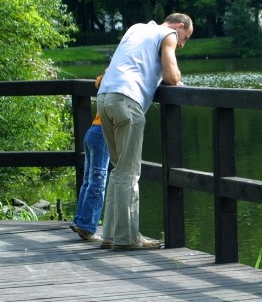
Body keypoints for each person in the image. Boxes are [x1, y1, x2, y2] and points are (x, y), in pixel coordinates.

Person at [97, 13, 193, 251]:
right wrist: (177, 78)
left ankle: (110, 234)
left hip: (104, 98)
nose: (182, 44)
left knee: (118, 170)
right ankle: (127, 238)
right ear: (179, 27)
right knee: (129, 173)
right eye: (186, 38)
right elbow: (171, 75)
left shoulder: (136, 28)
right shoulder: (167, 34)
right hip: (128, 102)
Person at [69, 75, 109, 242]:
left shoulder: (107, 79)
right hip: (103, 133)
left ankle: (80, 220)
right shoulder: (120, 80)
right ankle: (87, 226)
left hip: (92, 131)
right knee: (98, 181)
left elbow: (98, 80)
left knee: (88, 180)